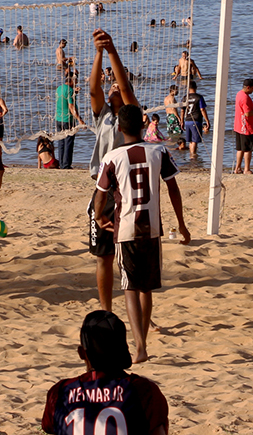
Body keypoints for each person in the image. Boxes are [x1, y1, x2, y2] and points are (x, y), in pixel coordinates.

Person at [93, 103, 190, 363]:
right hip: (152, 228)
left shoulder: (112, 157)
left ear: (120, 129)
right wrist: (181, 223)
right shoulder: (158, 151)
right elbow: (173, 189)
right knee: (146, 288)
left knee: (130, 288)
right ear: (144, 124)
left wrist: (100, 217)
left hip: (126, 229)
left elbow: (100, 195)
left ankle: (140, 347)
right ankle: (143, 342)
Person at [40, 310, 170, 435]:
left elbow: (48, 427)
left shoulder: (61, 391)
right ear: (124, 349)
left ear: (81, 353)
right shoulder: (143, 389)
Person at [88, 28, 140, 314]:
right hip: (104, 190)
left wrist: (112, 50)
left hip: (130, 189)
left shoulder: (132, 114)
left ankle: (141, 314)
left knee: (131, 257)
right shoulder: (103, 116)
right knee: (104, 257)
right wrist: (98, 52)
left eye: (116, 87)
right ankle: (107, 311)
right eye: (111, 88)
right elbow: (95, 88)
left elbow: (126, 88)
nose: (113, 88)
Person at [232, 78, 253, 174]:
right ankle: (246, 169)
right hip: (246, 127)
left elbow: (247, 106)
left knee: (240, 148)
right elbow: (248, 113)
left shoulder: (239, 94)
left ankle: (237, 168)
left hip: (238, 126)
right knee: (248, 149)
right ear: (248, 87)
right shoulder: (245, 98)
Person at [55, 73, 84, 171]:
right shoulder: (70, 90)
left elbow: (64, 99)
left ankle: (61, 163)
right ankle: (66, 165)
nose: (76, 83)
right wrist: (79, 120)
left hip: (58, 118)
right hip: (68, 120)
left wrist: (74, 93)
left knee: (61, 142)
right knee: (68, 142)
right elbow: (71, 106)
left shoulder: (59, 88)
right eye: (75, 81)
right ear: (71, 81)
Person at [181, 80, 210, 158]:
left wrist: (181, 121)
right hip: (195, 120)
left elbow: (182, 110)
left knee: (191, 140)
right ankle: (193, 156)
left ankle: (191, 155)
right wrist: (207, 120)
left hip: (187, 120)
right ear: (196, 87)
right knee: (194, 141)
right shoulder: (199, 97)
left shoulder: (185, 97)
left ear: (188, 88)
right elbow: (202, 109)